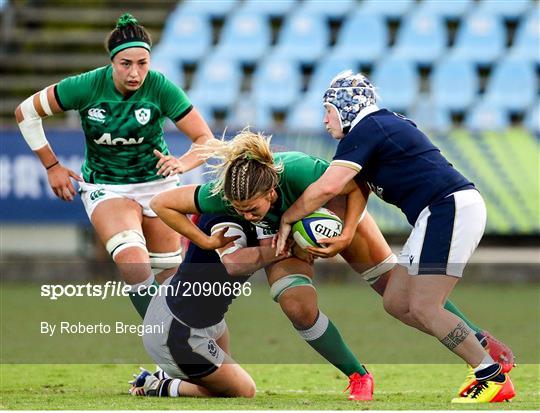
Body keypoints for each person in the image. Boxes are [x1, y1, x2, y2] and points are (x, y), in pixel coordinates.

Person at [150, 130, 510, 401]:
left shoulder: (300, 170)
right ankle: (358, 376)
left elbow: (356, 187)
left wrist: (346, 232)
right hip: (281, 239)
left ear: (272, 191)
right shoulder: (224, 194)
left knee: (396, 287)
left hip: (335, 214)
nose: (244, 215)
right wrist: (204, 240)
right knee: (296, 304)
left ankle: (480, 341)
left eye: (252, 209)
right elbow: (164, 202)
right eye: (238, 209)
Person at [275, 70, 516, 403]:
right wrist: (346, 234)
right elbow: (355, 188)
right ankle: (482, 348)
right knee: (397, 300)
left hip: (448, 208)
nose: (324, 120)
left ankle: (489, 374)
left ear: (345, 107)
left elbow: (330, 186)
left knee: (424, 305)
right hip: (438, 212)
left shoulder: (367, 127)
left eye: (328, 110)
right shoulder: (376, 128)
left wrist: (288, 217)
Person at [14, 13, 217, 318]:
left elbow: (206, 139)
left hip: (159, 188)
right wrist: (52, 165)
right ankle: (166, 342)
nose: (135, 73)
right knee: (133, 264)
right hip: (107, 187)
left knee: (172, 285)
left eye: (142, 63)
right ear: (112, 62)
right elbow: (25, 112)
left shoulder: (160, 87)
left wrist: (182, 162)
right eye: (126, 64)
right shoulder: (86, 86)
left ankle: (176, 362)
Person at [129, 212, 291, 398]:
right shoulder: (226, 216)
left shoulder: (235, 206)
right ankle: (157, 386)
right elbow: (234, 263)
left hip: (191, 313)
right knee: (244, 390)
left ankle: (165, 374)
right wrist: (292, 248)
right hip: (181, 330)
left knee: (223, 378)